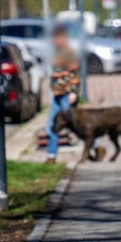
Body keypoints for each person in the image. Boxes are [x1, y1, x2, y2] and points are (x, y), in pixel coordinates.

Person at [45, 25, 80, 163]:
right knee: (52, 125)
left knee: (76, 125)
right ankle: (51, 156)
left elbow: (75, 74)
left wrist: (73, 92)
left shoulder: (69, 53)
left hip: (66, 95)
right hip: (57, 95)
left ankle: (96, 147)